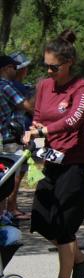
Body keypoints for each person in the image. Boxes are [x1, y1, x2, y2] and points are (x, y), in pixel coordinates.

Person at [22, 29, 84, 278]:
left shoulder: (82, 87)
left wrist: (44, 131)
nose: (50, 72)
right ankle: (81, 259)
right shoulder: (43, 86)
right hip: (52, 160)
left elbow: (74, 120)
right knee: (41, 219)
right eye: (47, 66)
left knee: (64, 224)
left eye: (54, 67)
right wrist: (33, 130)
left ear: (69, 64)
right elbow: (39, 116)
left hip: (75, 164)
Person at [1, 53, 33, 221]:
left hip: (6, 138)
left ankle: (7, 210)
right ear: (6, 69)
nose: (18, 70)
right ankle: (9, 209)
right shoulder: (6, 86)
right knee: (12, 176)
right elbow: (28, 107)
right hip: (10, 138)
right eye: (14, 67)